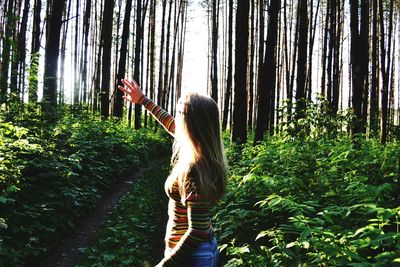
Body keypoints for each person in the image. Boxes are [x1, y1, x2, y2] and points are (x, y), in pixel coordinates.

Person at [118, 79, 227, 267]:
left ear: (191, 125)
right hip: (190, 253)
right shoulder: (201, 148)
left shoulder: (195, 170)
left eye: (181, 115)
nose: (177, 120)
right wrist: (143, 100)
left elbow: (197, 231)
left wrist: (165, 264)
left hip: (191, 257)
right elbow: (170, 124)